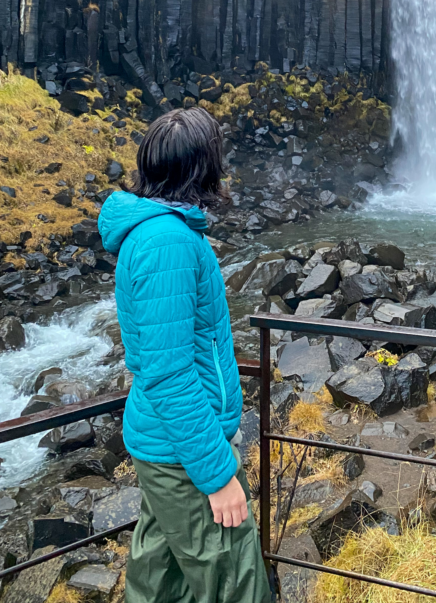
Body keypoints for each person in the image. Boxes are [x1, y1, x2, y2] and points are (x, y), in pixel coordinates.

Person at [98, 107, 271, 603]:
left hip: (167, 447)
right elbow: (170, 373)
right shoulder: (167, 242)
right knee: (235, 581)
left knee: (159, 581)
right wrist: (218, 476)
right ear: (202, 166)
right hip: (182, 455)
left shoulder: (163, 232)